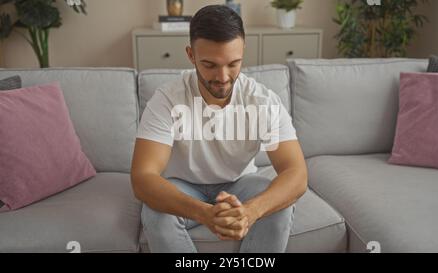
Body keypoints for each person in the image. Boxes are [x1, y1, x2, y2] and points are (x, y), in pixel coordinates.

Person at [130, 5, 308, 253]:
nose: (223, 77)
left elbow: (296, 173)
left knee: (279, 205)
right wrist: (205, 214)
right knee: (155, 214)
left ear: (243, 50)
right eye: (210, 65)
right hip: (183, 186)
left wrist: (250, 211)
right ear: (191, 55)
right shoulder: (167, 100)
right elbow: (143, 179)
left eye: (233, 63)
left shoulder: (262, 101)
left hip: (240, 184)